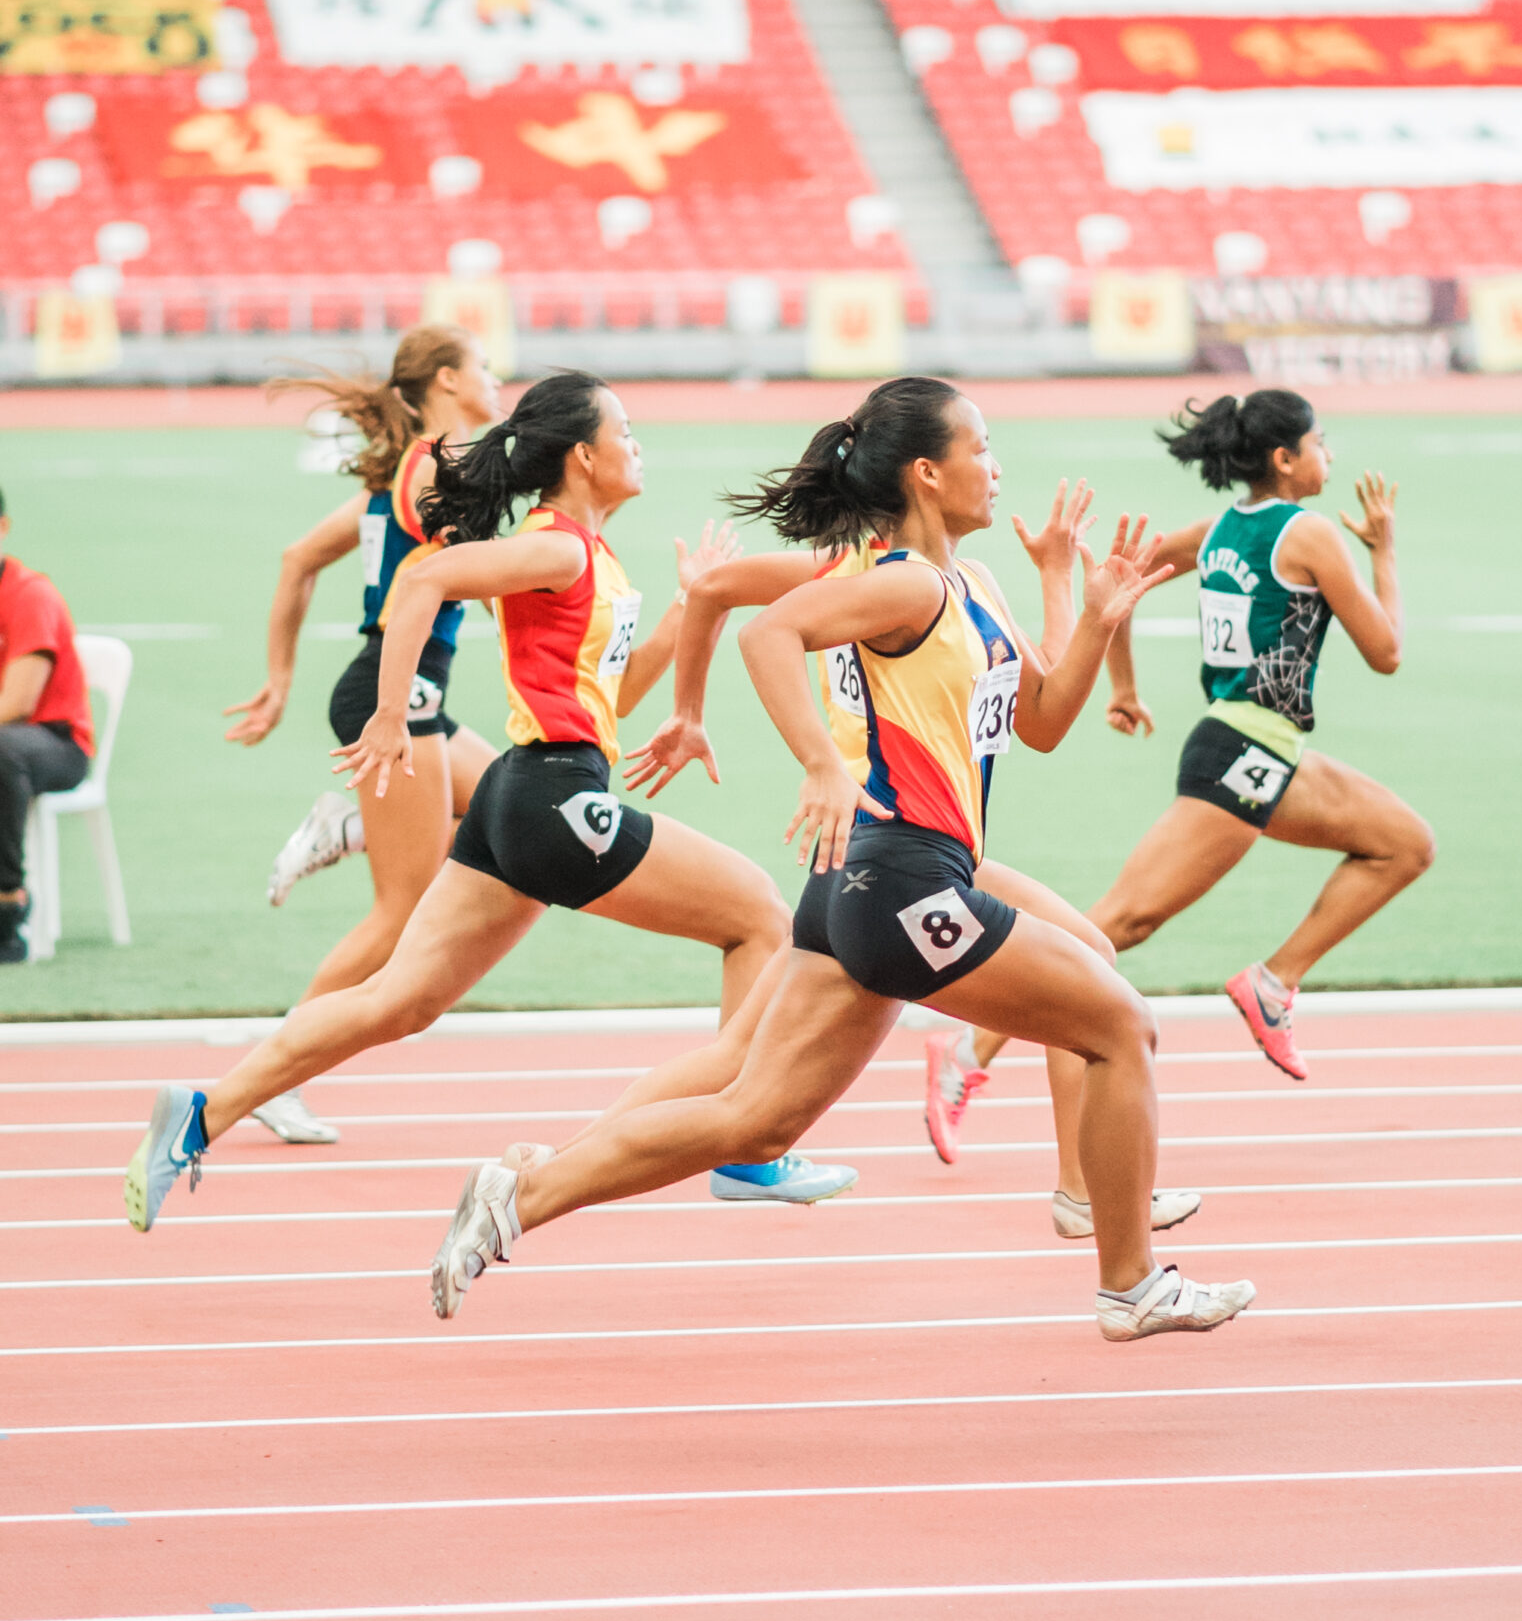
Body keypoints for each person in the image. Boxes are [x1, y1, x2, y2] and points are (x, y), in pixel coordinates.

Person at [415, 373, 1254, 1341]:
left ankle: (520, 1193)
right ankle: (1130, 1280)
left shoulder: (969, 585)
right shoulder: (898, 580)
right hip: (899, 873)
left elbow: (1045, 721)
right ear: (929, 472)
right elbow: (768, 631)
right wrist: (819, 763)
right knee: (1116, 1024)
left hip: (887, 878)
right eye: (981, 447)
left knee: (755, 1119)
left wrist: (1084, 601)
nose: (997, 465)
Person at [125, 373, 852, 1231]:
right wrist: (392, 714)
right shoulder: (558, 548)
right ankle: (745, 1148)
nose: (638, 442)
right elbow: (423, 584)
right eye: (627, 428)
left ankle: (201, 1113)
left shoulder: (591, 556)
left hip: (524, 788)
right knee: (759, 919)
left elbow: (607, 703)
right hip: (551, 798)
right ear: (584, 455)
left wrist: (686, 617)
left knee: (401, 1000)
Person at [623, 482, 1199, 1236]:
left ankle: (1085, 1191)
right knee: (749, 1093)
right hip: (880, 835)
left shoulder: (952, 581)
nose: (994, 471)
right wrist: (693, 715)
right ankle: (553, 1170)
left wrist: (1058, 579)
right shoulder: (856, 578)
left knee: (1088, 954)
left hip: (927, 840)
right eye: (979, 451)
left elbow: (1037, 697)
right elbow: (718, 594)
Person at [927, 389, 1432, 1129]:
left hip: (1258, 746)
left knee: (1403, 843)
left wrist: (1124, 687)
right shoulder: (1311, 534)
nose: (1330, 456)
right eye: (1321, 444)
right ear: (1285, 459)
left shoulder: (1217, 529)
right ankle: (966, 1052)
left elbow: (1125, 577)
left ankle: (1273, 981)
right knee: (1120, 922)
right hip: (1246, 753)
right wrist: (1383, 551)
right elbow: (1385, 651)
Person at [221, 326, 504, 1142]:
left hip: (403, 698)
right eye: (483, 367)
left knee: (506, 811)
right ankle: (278, 1069)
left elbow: (297, 556)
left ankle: (349, 824)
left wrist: (280, 680)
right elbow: (483, 580)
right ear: (449, 380)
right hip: (395, 703)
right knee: (401, 911)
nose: (495, 378)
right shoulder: (434, 478)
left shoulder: (400, 474)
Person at [0, 488, 94, 963]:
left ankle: (6, 903)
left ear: (3, 528)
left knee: (1, 749)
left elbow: (16, 703)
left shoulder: (28, 595)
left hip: (55, 742)